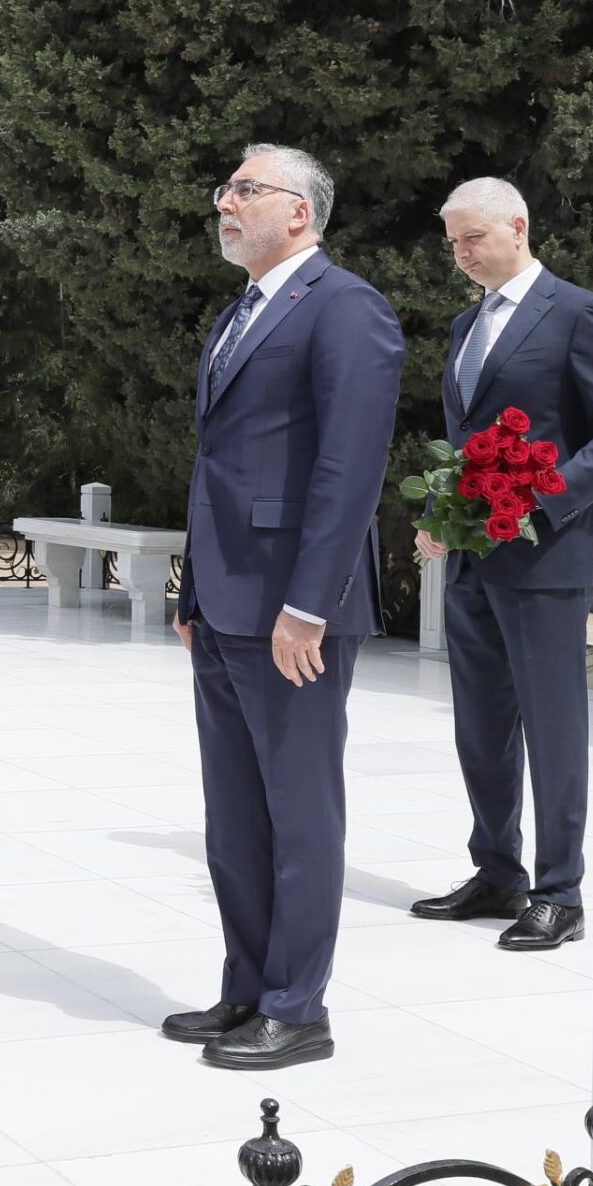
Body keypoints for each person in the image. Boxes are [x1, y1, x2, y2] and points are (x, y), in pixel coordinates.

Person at [167, 144, 405, 1071]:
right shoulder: (241, 312)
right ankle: (246, 987)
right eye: (225, 188)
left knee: (300, 810)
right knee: (233, 812)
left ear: (299, 212)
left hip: (292, 611)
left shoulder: (347, 309)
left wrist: (311, 603)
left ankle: (298, 1005)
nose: (224, 202)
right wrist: (193, 584)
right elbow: (221, 466)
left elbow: (349, 471)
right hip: (224, 602)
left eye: (244, 189)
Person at [412, 178, 593, 952]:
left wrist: (537, 502)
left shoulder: (581, 314)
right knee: (480, 728)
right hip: (474, 562)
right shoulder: (463, 325)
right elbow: (467, 443)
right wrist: (445, 512)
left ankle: (560, 891)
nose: (461, 253)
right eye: (452, 241)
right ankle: (496, 870)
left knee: (552, 729)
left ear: (518, 225)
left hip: (547, 557)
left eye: (472, 237)